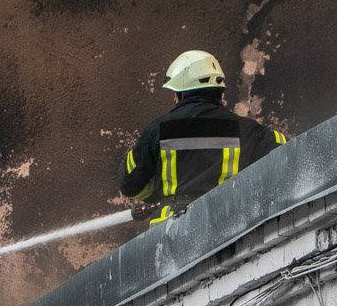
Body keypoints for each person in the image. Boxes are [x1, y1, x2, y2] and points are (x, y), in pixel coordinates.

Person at [119, 49, 288, 225]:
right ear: (219, 93)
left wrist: (158, 195)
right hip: (228, 227)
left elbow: (130, 184)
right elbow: (290, 156)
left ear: (182, 94)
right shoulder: (248, 130)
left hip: (171, 233)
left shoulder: (157, 131)